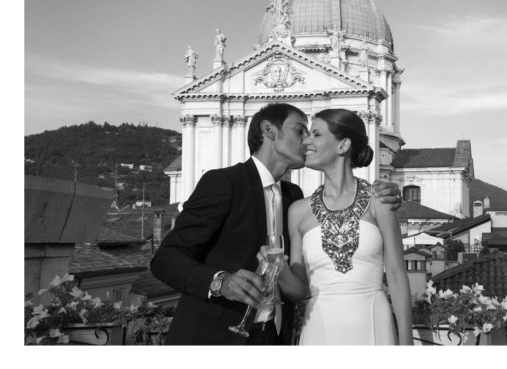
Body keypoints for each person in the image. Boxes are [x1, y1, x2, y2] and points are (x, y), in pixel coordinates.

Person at [150, 103, 402, 345]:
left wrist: (384, 193)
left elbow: (300, 278)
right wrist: (221, 282)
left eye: (312, 133)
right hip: (215, 338)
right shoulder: (224, 183)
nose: (306, 140)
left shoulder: (295, 197)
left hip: (274, 337)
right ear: (270, 131)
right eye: (300, 130)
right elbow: (166, 259)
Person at [277, 109, 413, 345]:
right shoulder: (297, 212)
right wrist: (277, 269)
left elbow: (396, 276)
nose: (306, 141)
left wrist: (407, 343)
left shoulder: (379, 200)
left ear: (343, 146)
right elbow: (299, 290)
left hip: (373, 321)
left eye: (316, 134)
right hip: (318, 328)